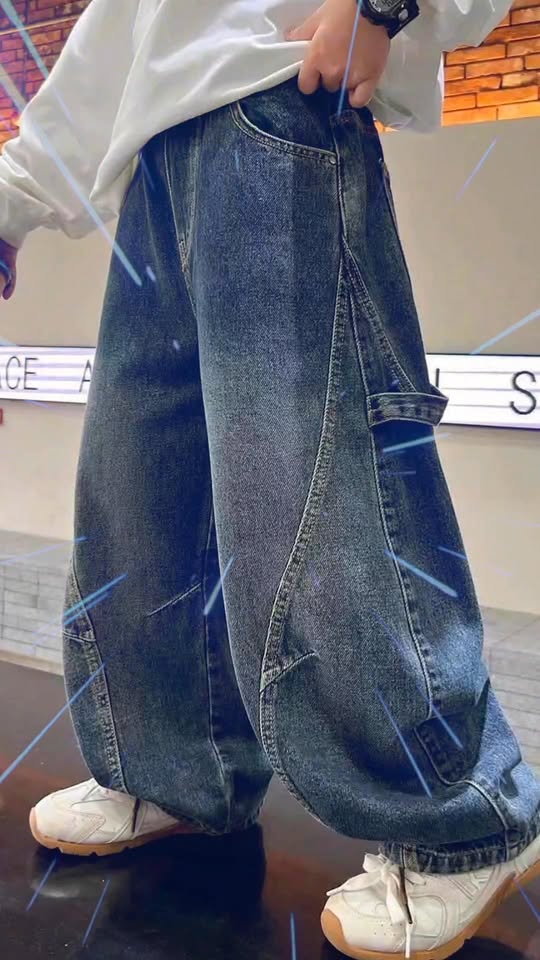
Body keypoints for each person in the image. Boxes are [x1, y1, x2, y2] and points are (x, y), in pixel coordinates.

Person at [1, 1, 539, 958]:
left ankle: (463, 820)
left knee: (318, 484)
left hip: (276, 102)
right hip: (155, 161)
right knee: (139, 492)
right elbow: (122, 27)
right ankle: (179, 770)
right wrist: (10, 200)